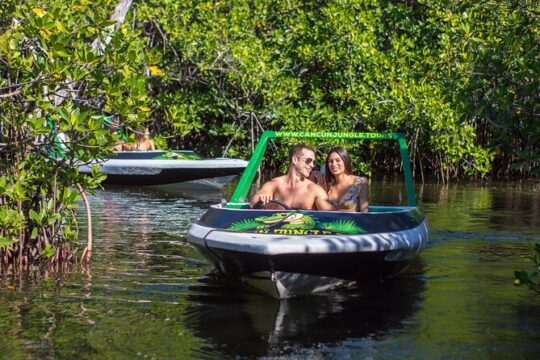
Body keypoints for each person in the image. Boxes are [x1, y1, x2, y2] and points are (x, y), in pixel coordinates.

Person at [249, 144, 334, 210]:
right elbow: (253, 202)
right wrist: (262, 196)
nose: (312, 165)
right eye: (308, 161)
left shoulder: (314, 189)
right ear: (295, 160)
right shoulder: (275, 184)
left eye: (314, 162)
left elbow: (331, 213)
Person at [325, 146, 369, 212]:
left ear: (345, 161)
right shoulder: (328, 187)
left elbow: (364, 213)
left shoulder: (360, 182)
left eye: (338, 160)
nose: (334, 164)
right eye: (330, 161)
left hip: (355, 221)